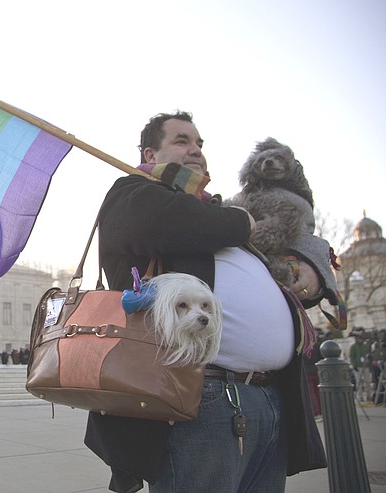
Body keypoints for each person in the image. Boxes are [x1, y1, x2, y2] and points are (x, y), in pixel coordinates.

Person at [84, 111, 337, 492]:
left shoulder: (217, 209)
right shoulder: (133, 193)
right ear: (151, 154)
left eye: (200, 143)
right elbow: (173, 222)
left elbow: (286, 249)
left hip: (270, 398)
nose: (196, 150)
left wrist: (314, 272)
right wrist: (240, 222)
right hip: (203, 398)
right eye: (182, 141)